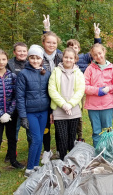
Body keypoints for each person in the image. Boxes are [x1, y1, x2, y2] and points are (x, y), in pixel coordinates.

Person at [0, 49, 24, 179]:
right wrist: (0, 114)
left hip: (11, 114)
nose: (1, 62)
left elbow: (16, 95)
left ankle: (13, 160)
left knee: (12, 138)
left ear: (7, 60)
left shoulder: (12, 76)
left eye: (3, 59)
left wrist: (9, 112)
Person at [16, 45, 51, 177]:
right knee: (35, 139)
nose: (35, 60)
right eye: (32, 58)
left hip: (43, 111)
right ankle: (29, 169)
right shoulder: (23, 74)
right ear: (28, 58)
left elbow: (49, 92)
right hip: (30, 112)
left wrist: (51, 111)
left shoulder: (46, 73)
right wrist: (23, 116)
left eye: (37, 58)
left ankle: (36, 165)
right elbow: (19, 96)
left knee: (40, 137)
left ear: (42, 59)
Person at [66, 23, 102, 142]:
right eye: (71, 47)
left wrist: (97, 36)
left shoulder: (84, 58)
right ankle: (67, 136)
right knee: (66, 112)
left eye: (75, 47)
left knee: (77, 113)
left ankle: (79, 136)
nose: (73, 49)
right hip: (66, 90)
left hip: (79, 90)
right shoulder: (65, 58)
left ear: (79, 49)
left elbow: (96, 51)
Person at [48, 48, 85, 160]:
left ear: (75, 59)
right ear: (62, 58)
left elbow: (80, 90)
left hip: (73, 110)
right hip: (59, 110)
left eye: (71, 58)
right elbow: (52, 89)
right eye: (66, 57)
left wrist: (70, 104)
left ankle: (71, 159)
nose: (68, 60)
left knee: (71, 137)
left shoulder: (78, 73)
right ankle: (63, 160)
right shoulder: (55, 71)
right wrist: (63, 104)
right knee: (62, 137)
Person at [84, 43, 113, 147]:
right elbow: (84, 86)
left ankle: (108, 152)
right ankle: (98, 153)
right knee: (96, 131)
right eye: (95, 55)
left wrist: (109, 88)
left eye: (100, 53)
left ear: (104, 52)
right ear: (92, 56)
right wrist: (97, 90)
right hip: (93, 106)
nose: (98, 56)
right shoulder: (90, 69)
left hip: (107, 105)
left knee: (107, 130)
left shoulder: (112, 69)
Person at [40, 24, 63, 164]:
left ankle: (61, 148)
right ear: (43, 43)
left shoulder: (60, 56)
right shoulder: (38, 56)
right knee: (46, 126)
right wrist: (46, 29)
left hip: (59, 95)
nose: (51, 45)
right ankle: (47, 150)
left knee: (60, 123)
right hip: (43, 95)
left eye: (54, 42)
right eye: (48, 42)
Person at [6, 42, 31, 163]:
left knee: (29, 128)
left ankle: (32, 149)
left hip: (29, 102)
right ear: (14, 52)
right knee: (14, 130)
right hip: (13, 102)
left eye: (24, 51)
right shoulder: (9, 64)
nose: (22, 53)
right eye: (19, 51)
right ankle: (11, 152)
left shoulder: (30, 63)